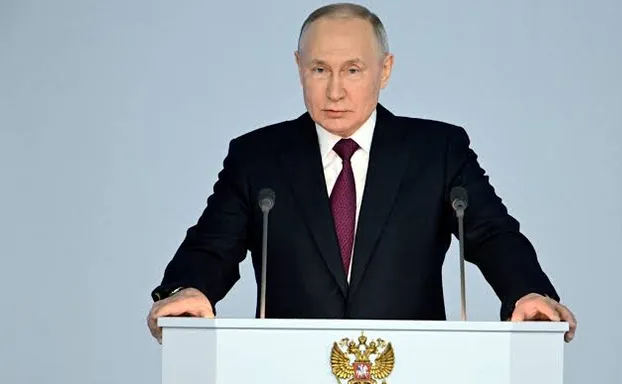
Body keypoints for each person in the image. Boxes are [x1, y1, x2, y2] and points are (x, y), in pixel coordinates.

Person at [147, 2, 577, 344]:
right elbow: (212, 246)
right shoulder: (257, 157)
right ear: (299, 66)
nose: (335, 90)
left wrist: (527, 292)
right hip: (287, 371)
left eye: (352, 70)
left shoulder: (438, 151)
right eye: (319, 70)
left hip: (414, 370)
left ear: (384, 70)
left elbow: (493, 234)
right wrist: (187, 288)